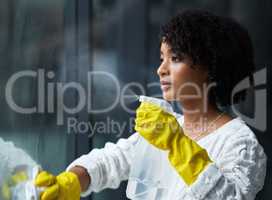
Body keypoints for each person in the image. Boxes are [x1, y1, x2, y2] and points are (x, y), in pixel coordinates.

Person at [35, 9, 267, 200]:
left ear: (211, 65)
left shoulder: (239, 142)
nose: (161, 69)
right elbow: (110, 161)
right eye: (161, 58)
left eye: (175, 58)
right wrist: (71, 181)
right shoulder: (167, 128)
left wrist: (178, 145)